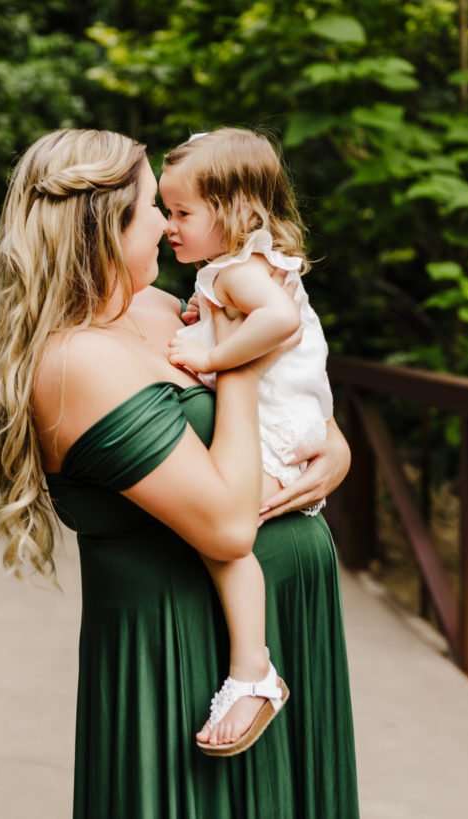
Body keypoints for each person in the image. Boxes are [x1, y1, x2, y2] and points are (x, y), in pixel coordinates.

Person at [0, 128, 360, 818]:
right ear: (101, 227)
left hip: (290, 619)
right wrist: (231, 367)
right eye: (155, 206)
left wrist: (334, 446)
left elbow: (274, 398)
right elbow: (230, 524)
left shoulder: (152, 308)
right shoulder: (75, 363)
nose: (166, 222)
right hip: (182, 652)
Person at [160, 128, 334, 755]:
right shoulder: (239, 268)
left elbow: (280, 324)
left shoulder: (234, 274)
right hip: (291, 424)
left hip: (275, 429)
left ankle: (252, 670)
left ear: (233, 211)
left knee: (222, 535)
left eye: (182, 213)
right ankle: (251, 667)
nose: (169, 226)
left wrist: (216, 355)